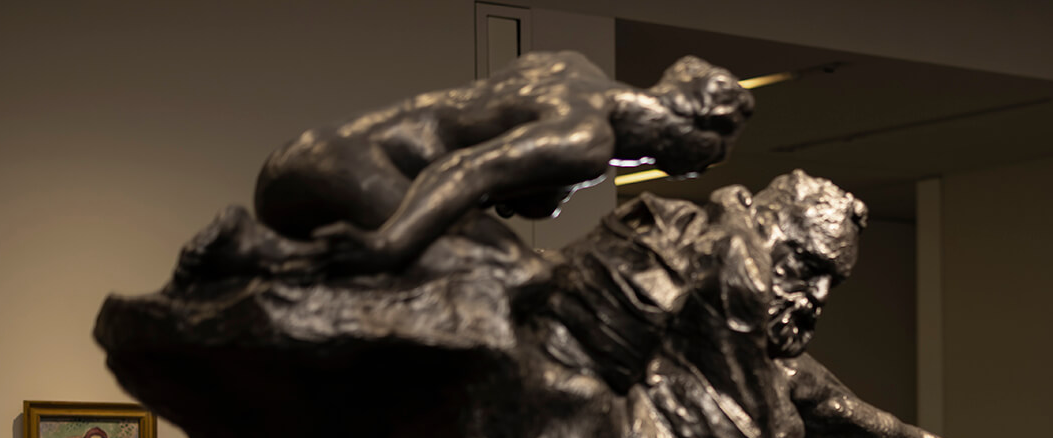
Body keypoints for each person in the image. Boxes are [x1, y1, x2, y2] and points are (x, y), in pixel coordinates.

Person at [182, 51, 751, 278]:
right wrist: (392, 244)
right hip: (339, 172)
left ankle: (257, 253)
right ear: (672, 125)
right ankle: (249, 252)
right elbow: (463, 172)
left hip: (313, 154)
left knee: (506, 258)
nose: (636, 165)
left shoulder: (570, 67)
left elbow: (483, 136)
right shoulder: (586, 138)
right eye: (657, 158)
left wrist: (543, 190)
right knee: (515, 275)